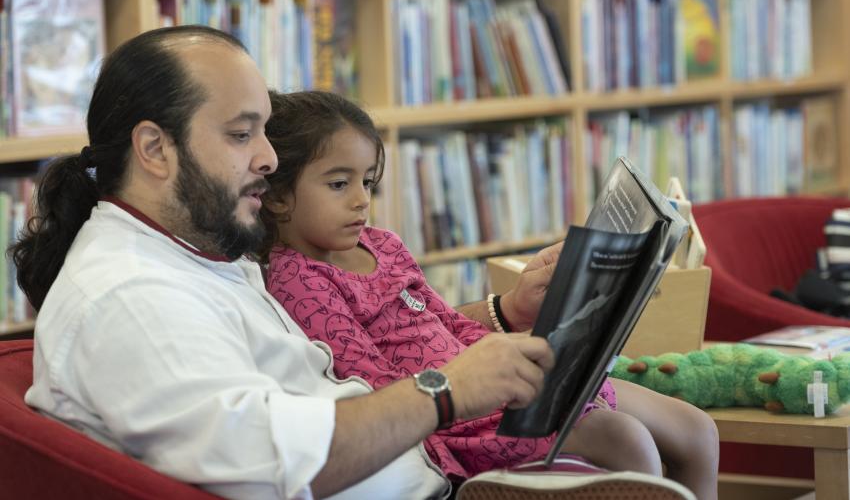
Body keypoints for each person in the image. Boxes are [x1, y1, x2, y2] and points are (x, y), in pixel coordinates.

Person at [13, 25, 557, 500]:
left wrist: (499, 315)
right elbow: (273, 463)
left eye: (265, 130)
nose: (269, 158)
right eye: (240, 133)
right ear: (155, 149)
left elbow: (377, 333)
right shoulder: (131, 297)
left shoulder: (190, 253)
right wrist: (445, 391)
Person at [258, 89, 720, 499]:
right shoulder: (300, 280)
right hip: (460, 420)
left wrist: (525, 352)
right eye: (339, 184)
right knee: (626, 440)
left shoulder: (383, 245)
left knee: (698, 429)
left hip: (500, 385)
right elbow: (371, 386)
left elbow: (445, 322)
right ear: (278, 196)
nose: (361, 199)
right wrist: (482, 381)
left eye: (367, 182)